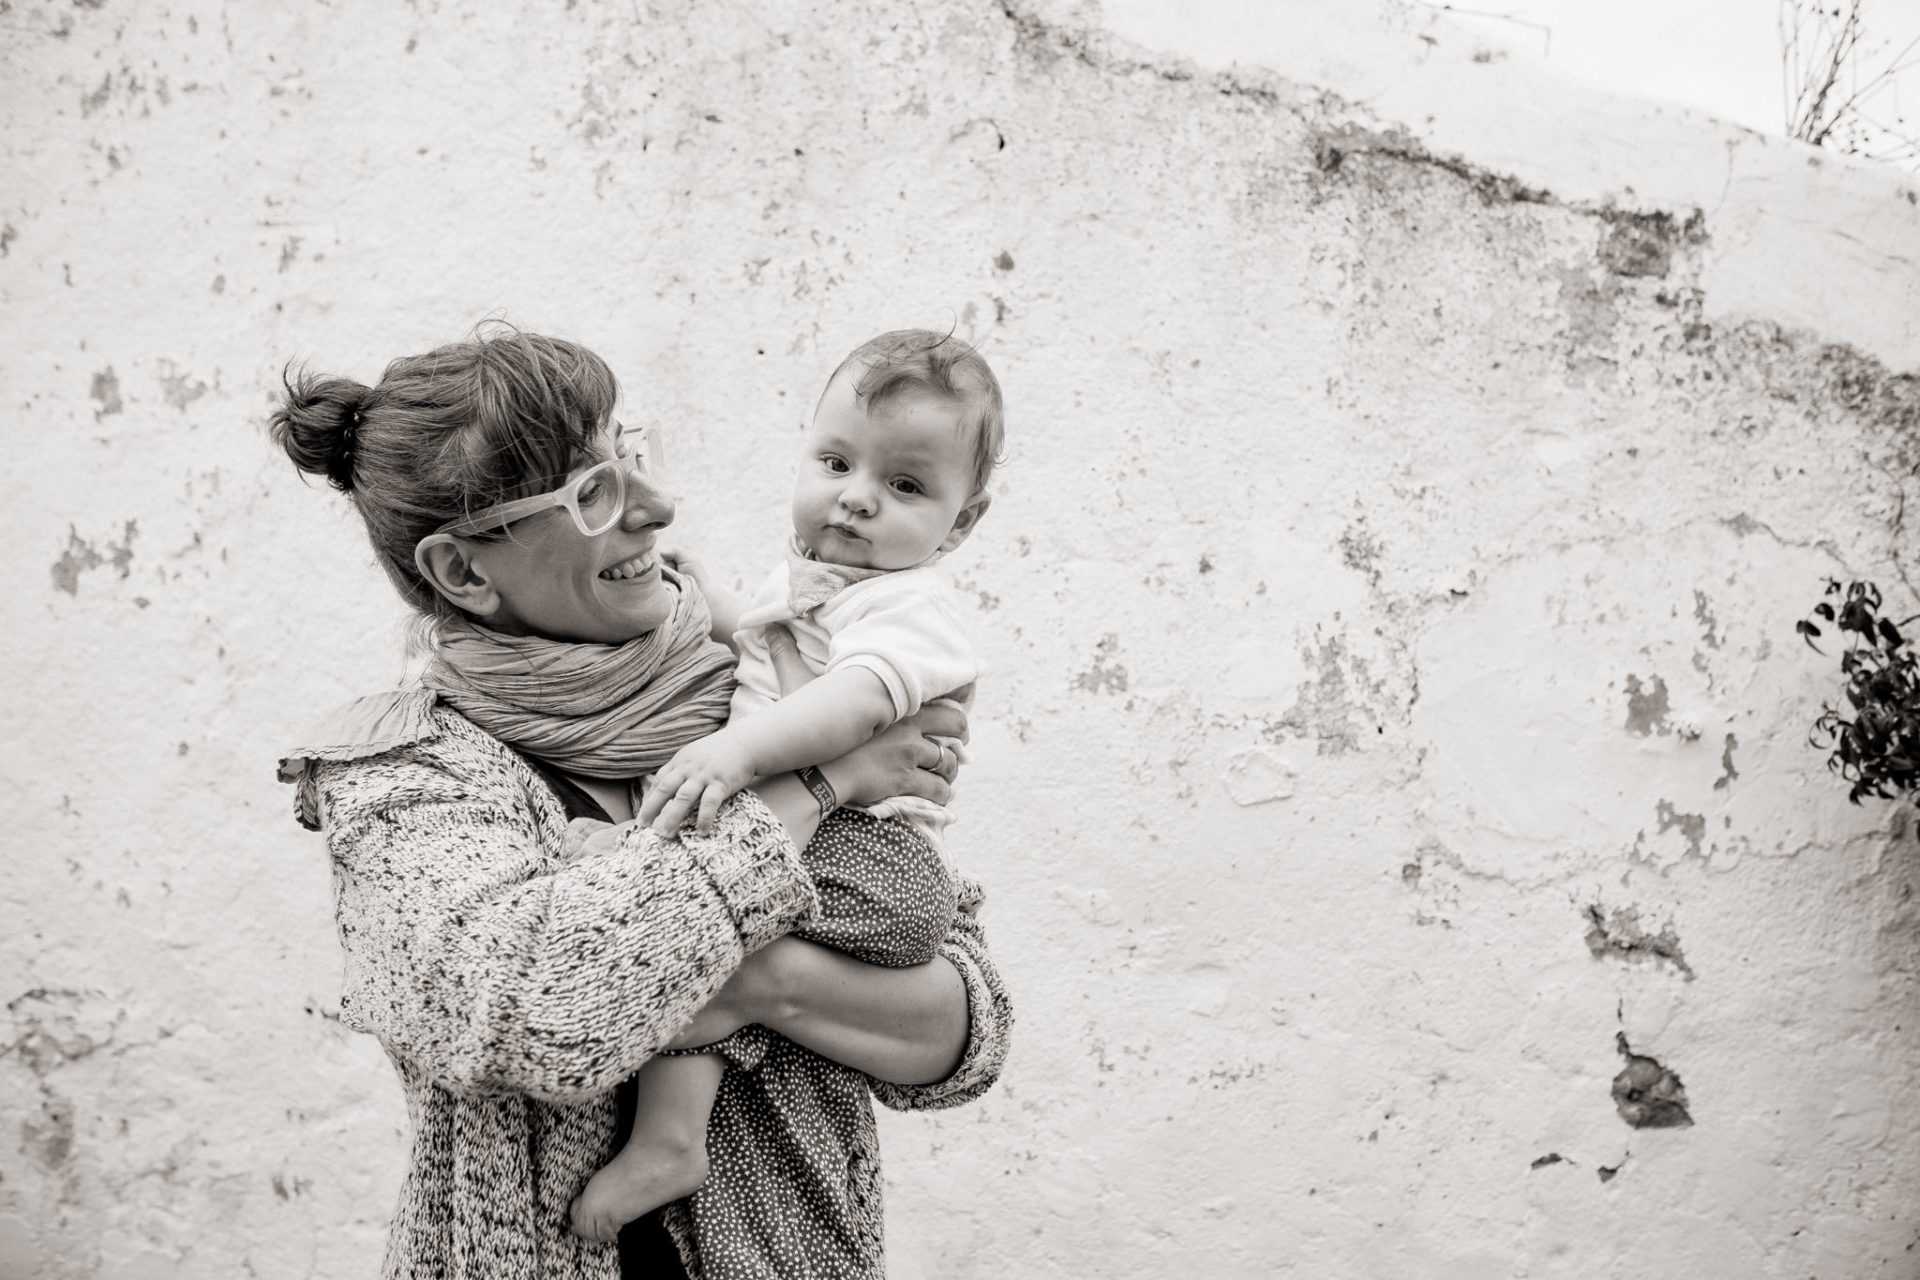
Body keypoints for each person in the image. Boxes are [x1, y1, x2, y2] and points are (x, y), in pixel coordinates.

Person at [271, 326, 1011, 1280]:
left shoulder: (752, 685)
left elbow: (965, 1017)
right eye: (593, 492)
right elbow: (540, 1008)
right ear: (463, 572)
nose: (658, 508)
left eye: (631, 459)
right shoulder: (405, 779)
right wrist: (822, 791)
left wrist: (748, 974)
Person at [574, 330, 1003, 1240]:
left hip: (870, 854)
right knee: (705, 928)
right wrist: (712, 603)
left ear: (960, 525)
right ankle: (674, 1138)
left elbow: (852, 704)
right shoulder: (820, 583)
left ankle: (669, 1138)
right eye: (837, 460)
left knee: (703, 928)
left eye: (906, 486)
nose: (856, 497)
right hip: (827, 835)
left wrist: (737, 758)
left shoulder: (909, 607)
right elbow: (769, 647)